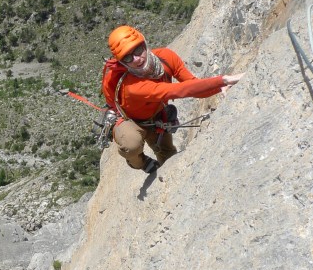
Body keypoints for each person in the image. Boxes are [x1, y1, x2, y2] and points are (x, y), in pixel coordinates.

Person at [102, 24, 242, 174]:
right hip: (132, 121)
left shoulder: (167, 57)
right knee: (131, 145)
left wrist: (218, 88)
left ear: (144, 43)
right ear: (123, 63)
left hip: (155, 115)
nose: (137, 59)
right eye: (128, 57)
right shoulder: (132, 86)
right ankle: (139, 163)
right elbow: (177, 91)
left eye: (138, 49)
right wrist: (223, 80)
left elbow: (192, 84)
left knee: (168, 156)